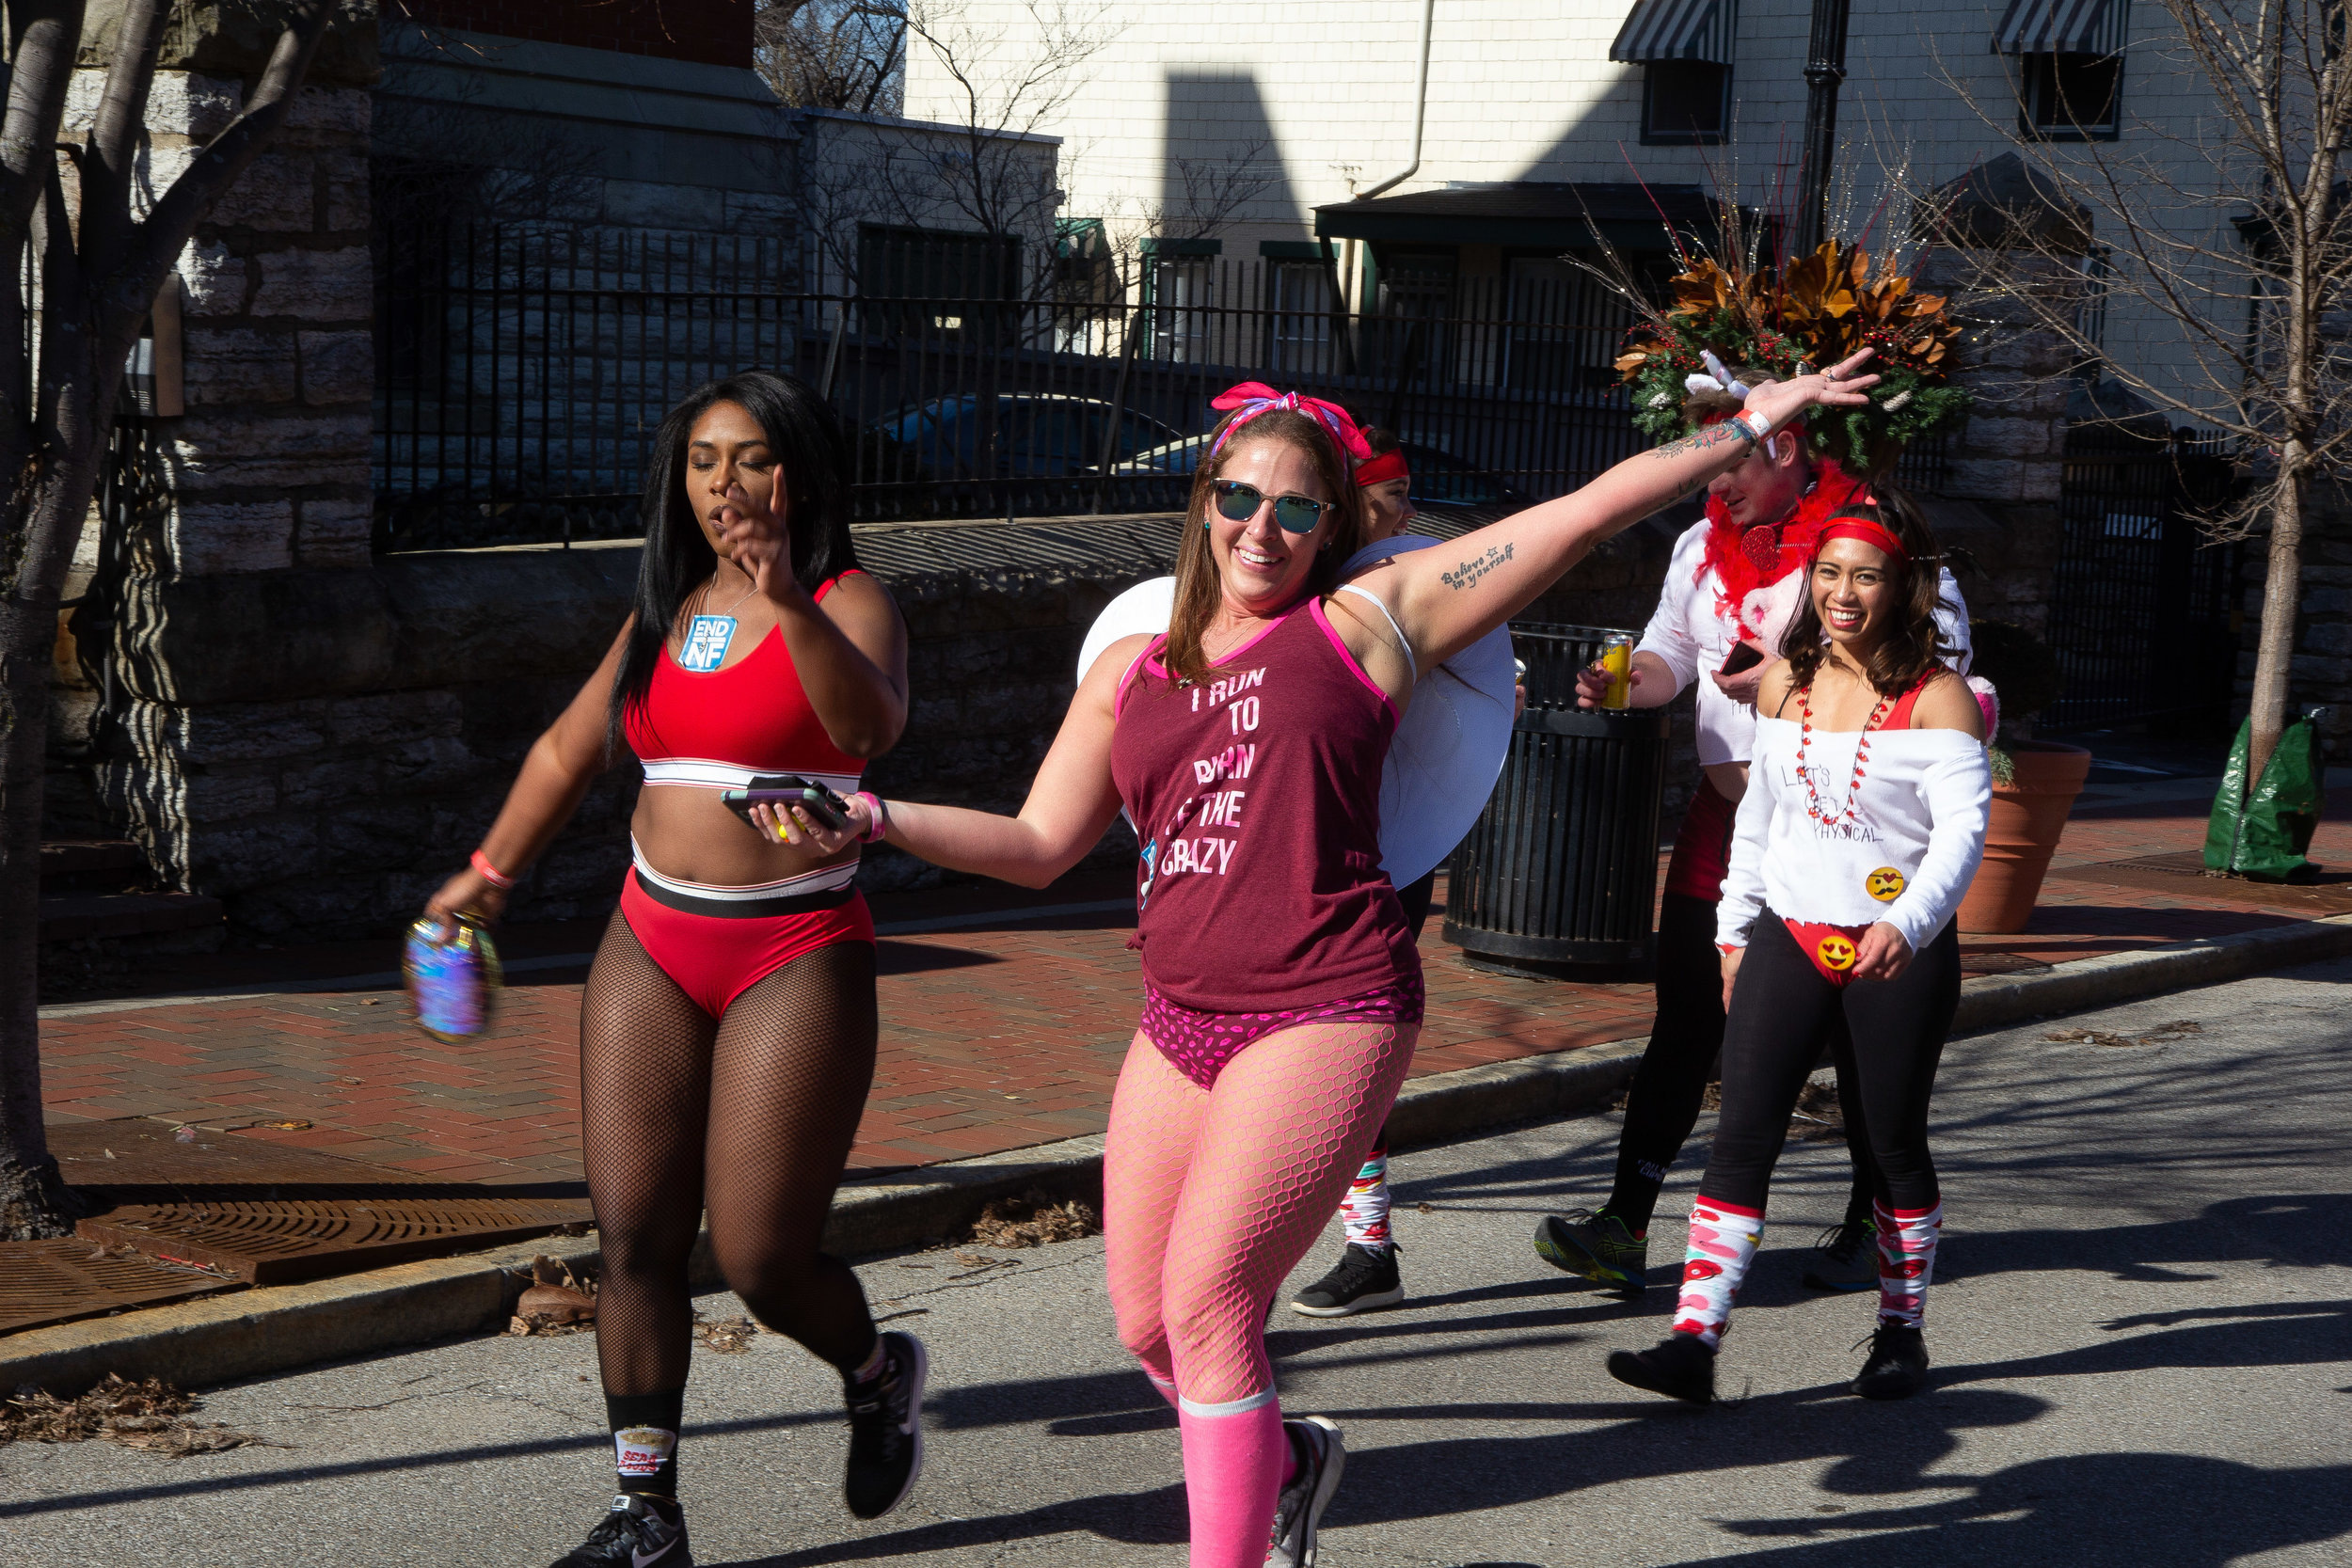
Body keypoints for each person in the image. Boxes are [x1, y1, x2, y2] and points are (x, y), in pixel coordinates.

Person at [786, 363, 1881, 1566]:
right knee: (1147, 1320)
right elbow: (1039, 844)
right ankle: (1289, 1462)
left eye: (1299, 507)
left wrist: (1745, 426)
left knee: (1210, 1304)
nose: (1265, 527)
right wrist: (873, 817)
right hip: (1180, 1015)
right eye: (1241, 497)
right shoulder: (1132, 666)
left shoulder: (1370, 623)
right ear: (1203, 501)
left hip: (1328, 1004)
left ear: (1332, 526)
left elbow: (1579, 514)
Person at [421, 371, 925, 1568]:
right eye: (701, 459)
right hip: (652, 937)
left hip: (795, 947)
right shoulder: (667, 605)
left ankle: (872, 1368)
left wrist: (789, 600)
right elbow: (569, 744)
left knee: (758, 1255)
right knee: (634, 1235)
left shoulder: (853, 601)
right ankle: (646, 1511)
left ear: (797, 471)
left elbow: (868, 731)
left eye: (748, 458)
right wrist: (488, 872)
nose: (721, 484)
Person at [1533, 373, 1971, 1299]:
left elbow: (1947, 674)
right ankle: (1626, 1219)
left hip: (1856, 837)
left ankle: (1870, 1220)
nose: (1710, 482)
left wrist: (1798, 670)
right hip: (1729, 823)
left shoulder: (1868, 547)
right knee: (1685, 1019)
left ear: (1781, 448)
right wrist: (1625, 680)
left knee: (1865, 1041)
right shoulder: (1698, 545)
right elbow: (1667, 652)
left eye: (1726, 459)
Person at [1605, 491, 1989, 1405]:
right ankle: (1694, 1341)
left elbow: (1961, 833)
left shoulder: (1939, 697)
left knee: (1889, 1139)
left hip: (1897, 944)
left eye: (1864, 575)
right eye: (1827, 572)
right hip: (1788, 930)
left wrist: (1909, 920)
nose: (1841, 593)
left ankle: (1901, 1331)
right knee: (1740, 1135)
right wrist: (1733, 931)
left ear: (1902, 586)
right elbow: (1760, 818)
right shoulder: (1784, 682)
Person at [1291, 424, 1423, 1318]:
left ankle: (1368, 1242)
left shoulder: (1409, 584)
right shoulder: (1299, 586)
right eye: (1385, 495)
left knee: (1340, 1048)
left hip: (1380, 836)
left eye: (1406, 489)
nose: (1402, 509)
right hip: (1292, 835)